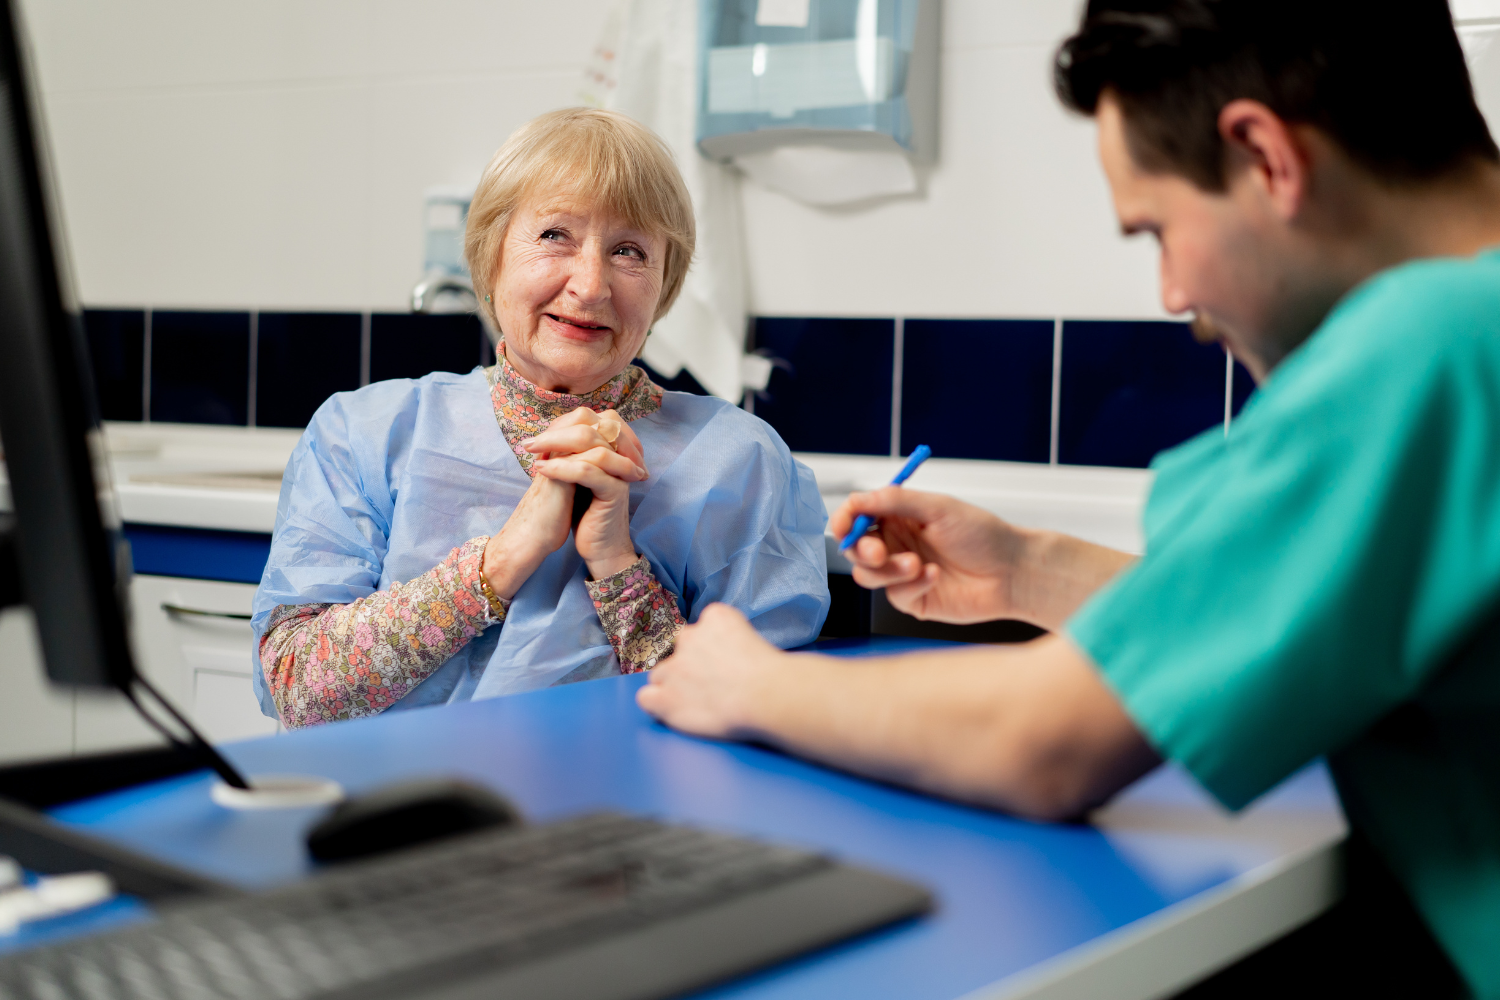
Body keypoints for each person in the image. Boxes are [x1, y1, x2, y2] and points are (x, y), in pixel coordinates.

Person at [638, 1, 1500, 995]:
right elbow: (1294, 607)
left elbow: (1044, 744)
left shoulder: (1428, 347)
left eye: (1158, 230)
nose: (1174, 295)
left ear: (1266, 157)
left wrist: (751, 685)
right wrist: (1027, 569)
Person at [251, 108, 829, 729]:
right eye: (555, 235)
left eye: (629, 251)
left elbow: (763, 713)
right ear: (492, 254)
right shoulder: (365, 433)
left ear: (663, 285)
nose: (590, 286)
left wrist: (617, 567)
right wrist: (502, 560)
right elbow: (297, 693)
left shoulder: (739, 461)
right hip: (397, 790)